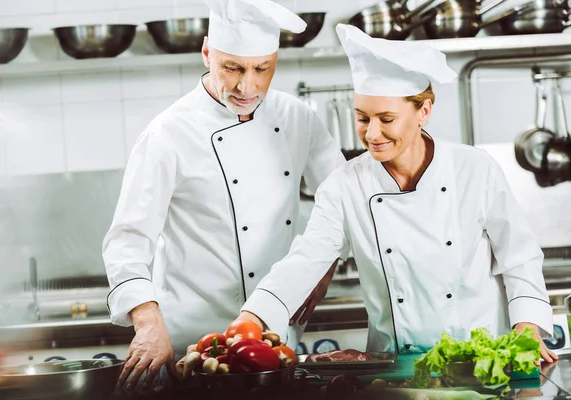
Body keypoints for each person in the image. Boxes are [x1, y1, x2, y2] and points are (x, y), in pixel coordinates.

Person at [233, 23, 558, 363]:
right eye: (362, 118)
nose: (372, 134)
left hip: (478, 360)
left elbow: (519, 256)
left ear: (424, 112)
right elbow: (306, 259)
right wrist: (252, 318)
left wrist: (528, 328)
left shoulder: (475, 169)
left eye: (386, 119)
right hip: (393, 370)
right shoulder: (345, 185)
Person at [102, 0, 346, 392]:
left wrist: (323, 267)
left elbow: (341, 202)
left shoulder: (299, 118)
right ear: (207, 53)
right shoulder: (168, 133)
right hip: (193, 343)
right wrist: (147, 323)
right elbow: (127, 239)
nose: (246, 86)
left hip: (272, 339)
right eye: (232, 67)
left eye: (261, 69)